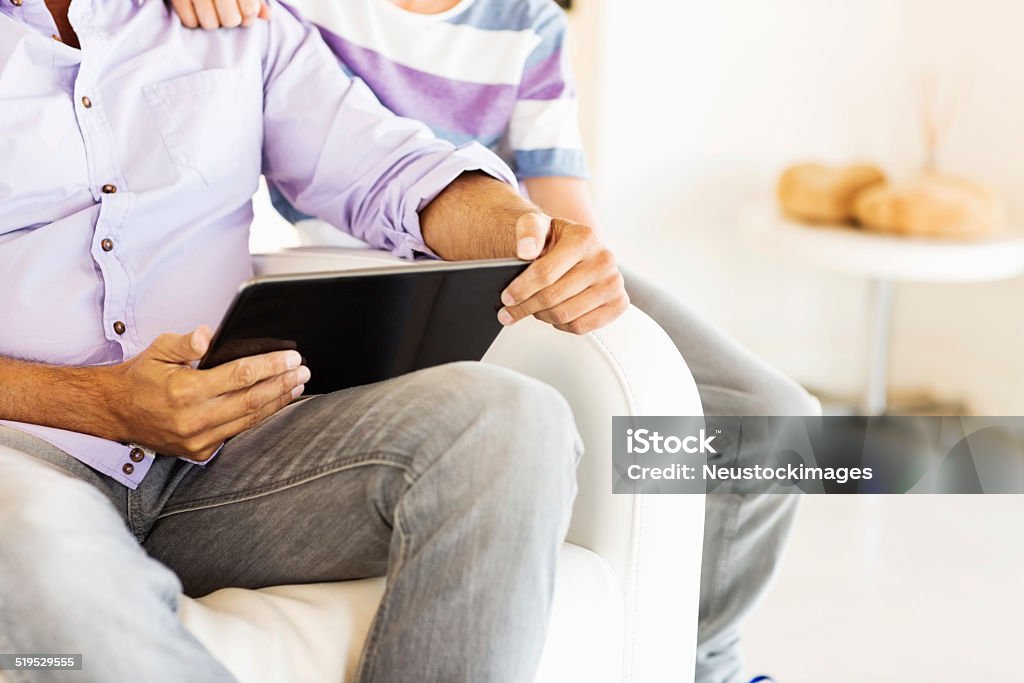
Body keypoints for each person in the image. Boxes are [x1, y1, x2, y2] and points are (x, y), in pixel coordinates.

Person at [168, 0, 822, 681]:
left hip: (513, 263)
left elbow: (567, 216)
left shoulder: (529, 23)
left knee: (771, 416)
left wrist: (576, 265)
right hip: (371, 282)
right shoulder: (299, 10)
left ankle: (704, 660)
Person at [0, 0, 633, 680]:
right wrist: (100, 402)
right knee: (32, 535)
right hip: (27, 457)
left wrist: (529, 233)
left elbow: (391, 170)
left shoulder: (234, 21)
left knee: (511, 420)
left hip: (226, 464)